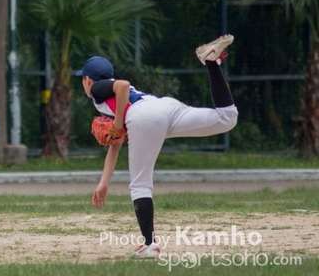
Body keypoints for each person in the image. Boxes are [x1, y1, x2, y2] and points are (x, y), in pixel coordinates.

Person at [78, 34, 238, 259]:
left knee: (140, 184)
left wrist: (116, 123)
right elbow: (116, 143)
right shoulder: (115, 101)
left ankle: (149, 245)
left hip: (145, 116)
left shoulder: (97, 90)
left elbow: (122, 85)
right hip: (163, 108)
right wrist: (104, 182)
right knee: (226, 119)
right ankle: (211, 62)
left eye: (83, 80)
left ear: (87, 80)